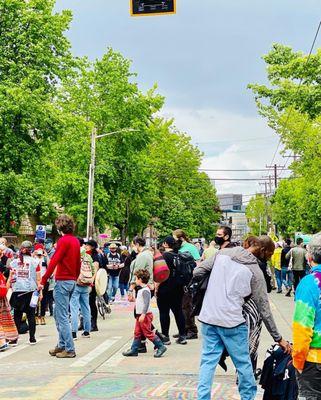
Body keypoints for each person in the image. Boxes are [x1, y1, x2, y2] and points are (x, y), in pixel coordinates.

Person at [194, 245, 291, 400]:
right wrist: (278, 338)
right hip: (232, 322)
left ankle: (202, 397)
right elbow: (264, 309)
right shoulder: (255, 271)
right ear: (264, 253)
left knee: (207, 361)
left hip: (208, 317)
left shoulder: (222, 254)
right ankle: (247, 397)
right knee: (243, 363)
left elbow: (197, 271)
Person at [38, 214, 80, 358]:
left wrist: (43, 280)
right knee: (57, 314)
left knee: (61, 316)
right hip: (72, 280)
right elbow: (78, 262)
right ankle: (62, 344)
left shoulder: (63, 241)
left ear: (59, 226)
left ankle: (69, 348)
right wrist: (75, 277)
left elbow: (55, 260)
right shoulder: (75, 241)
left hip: (62, 280)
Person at [293, 233, 321, 399]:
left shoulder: (310, 283)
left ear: (309, 256)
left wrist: (298, 361)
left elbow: (302, 329)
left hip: (314, 361)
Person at [122, 269, 167, 358]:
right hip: (140, 315)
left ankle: (161, 346)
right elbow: (141, 301)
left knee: (148, 333)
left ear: (140, 279)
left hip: (145, 315)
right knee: (137, 332)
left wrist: (143, 314)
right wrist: (133, 300)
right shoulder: (142, 290)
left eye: (136, 278)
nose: (135, 280)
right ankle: (134, 349)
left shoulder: (145, 290)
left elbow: (146, 303)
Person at [156, 236, 186, 345]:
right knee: (178, 311)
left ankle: (166, 337)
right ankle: (182, 336)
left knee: (164, 312)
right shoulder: (179, 255)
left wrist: (157, 287)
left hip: (165, 287)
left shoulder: (164, 256)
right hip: (178, 287)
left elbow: (161, 274)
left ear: (165, 244)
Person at [10, 241, 41, 345]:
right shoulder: (35, 262)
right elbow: (38, 278)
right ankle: (32, 338)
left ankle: (14, 339)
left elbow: (12, 277)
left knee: (17, 315)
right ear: (31, 250)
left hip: (17, 291)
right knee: (31, 315)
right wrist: (40, 292)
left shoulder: (14, 262)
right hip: (31, 291)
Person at [173, 229, 200, 340]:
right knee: (180, 306)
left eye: (175, 239)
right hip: (179, 280)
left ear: (181, 238)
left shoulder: (190, 248)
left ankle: (191, 329)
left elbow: (198, 263)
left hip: (188, 280)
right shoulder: (178, 248)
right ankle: (183, 328)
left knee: (186, 305)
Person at [70, 238, 95, 340]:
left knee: (74, 308)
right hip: (86, 283)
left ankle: (74, 332)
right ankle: (87, 331)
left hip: (76, 284)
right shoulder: (88, 256)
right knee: (86, 307)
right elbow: (93, 270)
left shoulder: (74, 254)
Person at [0, 268, 18, 350]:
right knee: (5, 320)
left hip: (2, 300)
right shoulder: (1, 275)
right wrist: (10, 276)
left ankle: (2, 342)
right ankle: (10, 338)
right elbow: (6, 289)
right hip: (3, 301)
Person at [85, 240, 100, 332]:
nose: (86, 246)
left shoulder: (95, 257)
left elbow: (95, 270)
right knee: (83, 304)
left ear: (93, 247)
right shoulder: (85, 255)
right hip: (84, 281)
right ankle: (84, 323)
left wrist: (91, 283)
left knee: (91, 303)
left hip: (92, 283)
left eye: (88, 245)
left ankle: (94, 324)